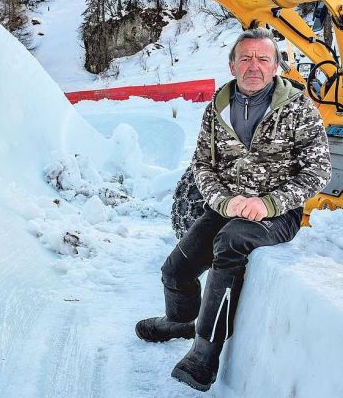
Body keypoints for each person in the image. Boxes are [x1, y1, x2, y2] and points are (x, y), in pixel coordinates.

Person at [135, 28, 331, 391]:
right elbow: (202, 166)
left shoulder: (299, 109)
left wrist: (268, 203)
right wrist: (225, 201)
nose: (253, 66)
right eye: (245, 58)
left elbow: (318, 170)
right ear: (232, 64)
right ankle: (180, 321)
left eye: (262, 59)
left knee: (231, 243)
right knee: (176, 268)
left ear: (276, 67)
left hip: (277, 214)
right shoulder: (216, 109)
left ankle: (205, 353)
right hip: (228, 206)